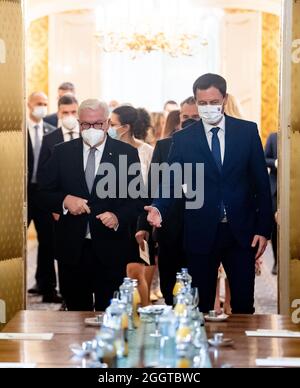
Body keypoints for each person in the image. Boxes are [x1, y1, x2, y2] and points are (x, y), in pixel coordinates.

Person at [146, 73, 273, 314]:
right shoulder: (183, 139)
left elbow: (261, 185)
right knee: (201, 304)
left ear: (224, 99)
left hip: (241, 232)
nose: (208, 108)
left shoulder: (246, 132)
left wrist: (262, 229)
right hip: (200, 230)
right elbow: (172, 180)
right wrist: (159, 207)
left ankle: (242, 351)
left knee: (244, 304)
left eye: (213, 102)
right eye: (202, 103)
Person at [38, 99, 142, 311]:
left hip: (111, 248)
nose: (91, 129)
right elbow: (42, 193)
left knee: (110, 314)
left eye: (96, 124)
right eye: (85, 124)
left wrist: (117, 217)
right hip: (72, 249)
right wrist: (65, 201)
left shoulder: (126, 154)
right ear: (79, 123)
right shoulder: (61, 152)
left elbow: (138, 200)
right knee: (75, 316)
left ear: (106, 124)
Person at [136, 97, 200, 305]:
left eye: (196, 117)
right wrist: (143, 226)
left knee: (199, 287)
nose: (189, 121)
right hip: (169, 227)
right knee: (169, 286)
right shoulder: (164, 147)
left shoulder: (212, 147)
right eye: (185, 116)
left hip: (202, 227)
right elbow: (152, 189)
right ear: (179, 117)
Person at [109, 105, 154, 306]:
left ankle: (143, 315)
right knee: (116, 273)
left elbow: (153, 187)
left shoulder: (146, 151)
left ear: (125, 127)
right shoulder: (107, 150)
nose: (107, 127)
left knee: (136, 272)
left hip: (139, 218)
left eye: (112, 124)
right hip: (115, 216)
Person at [27, 92, 62, 303]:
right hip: (22, 194)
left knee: (48, 241)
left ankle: (47, 288)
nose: (41, 107)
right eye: (38, 103)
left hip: (44, 195)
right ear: (29, 105)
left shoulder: (52, 132)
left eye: (45, 104)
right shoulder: (18, 132)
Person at [265, 132, 278, 275]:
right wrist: (275, 162)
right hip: (275, 190)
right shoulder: (273, 137)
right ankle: (276, 261)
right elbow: (263, 158)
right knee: (275, 227)